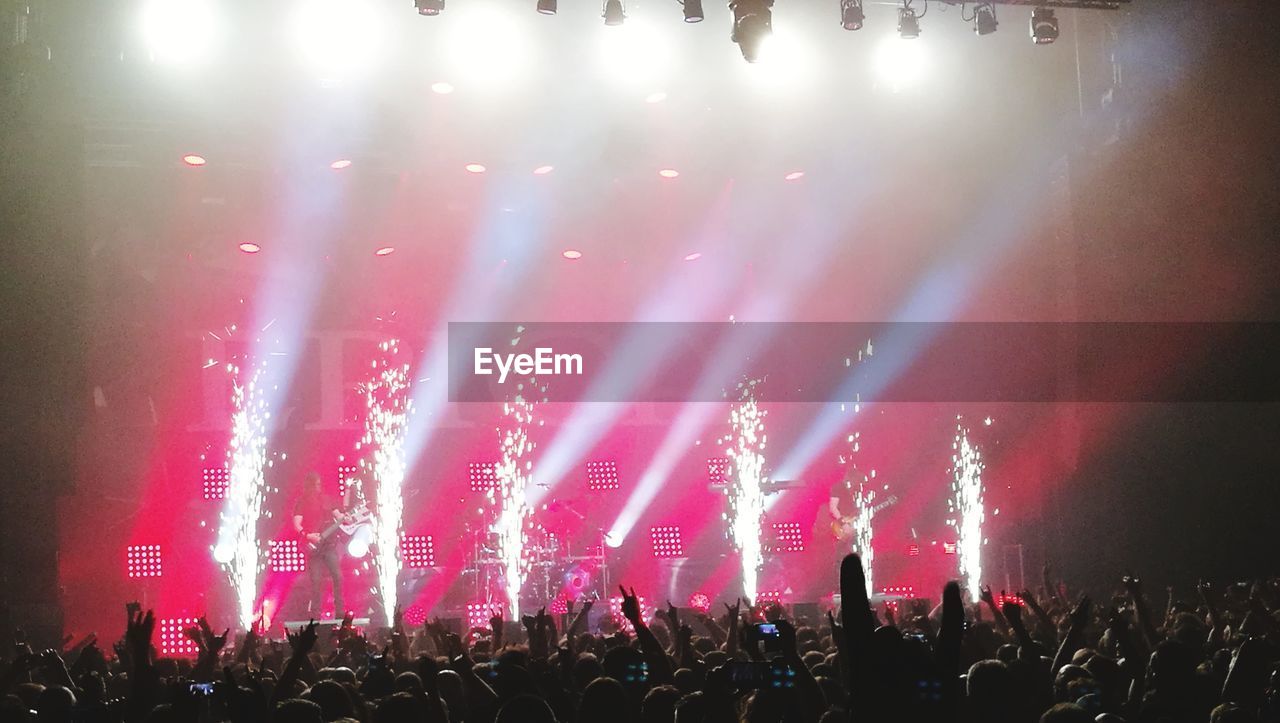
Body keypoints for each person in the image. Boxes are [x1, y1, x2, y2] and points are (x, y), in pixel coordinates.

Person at [293, 471, 345, 618]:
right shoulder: (302, 502)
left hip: (328, 545)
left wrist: (345, 517)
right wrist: (308, 536)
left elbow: (338, 516)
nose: (318, 487)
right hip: (313, 548)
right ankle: (316, 613)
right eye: (316, 484)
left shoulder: (326, 500)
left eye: (319, 484)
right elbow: (297, 524)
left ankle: (340, 612)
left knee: (338, 576)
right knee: (316, 580)